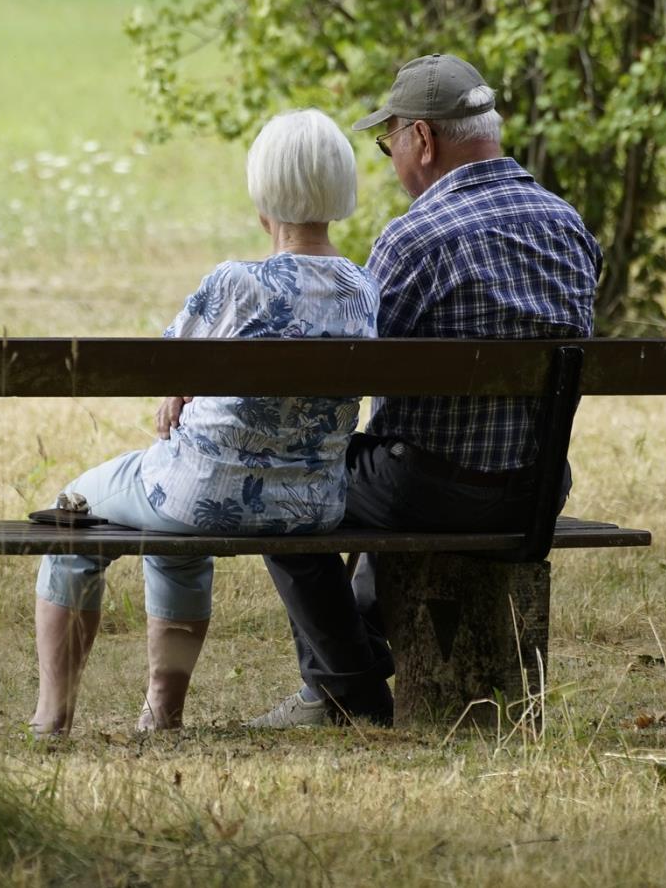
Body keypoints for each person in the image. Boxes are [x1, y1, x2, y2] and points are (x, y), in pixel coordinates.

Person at [247, 54, 603, 729]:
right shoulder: (569, 226)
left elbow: (352, 372)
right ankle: (354, 665)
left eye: (388, 146)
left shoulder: (415, 239)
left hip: (431, 491)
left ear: (422, 139)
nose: (391, 161)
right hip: (536, 488)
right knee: (396, 460)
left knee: (284, 485)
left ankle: (346, 690)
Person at [30, 108, 381, 736]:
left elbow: (163, 365)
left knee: (73, 512)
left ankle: (52, 716)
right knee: (172, 528)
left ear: (263, 192)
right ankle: (161, 714)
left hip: (200, 495)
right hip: (311, 506)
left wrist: (179, 388)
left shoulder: (236, 284)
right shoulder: (364, 288)